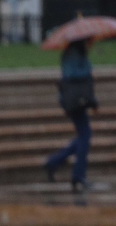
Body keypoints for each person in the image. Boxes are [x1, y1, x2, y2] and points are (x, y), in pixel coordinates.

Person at [46, 39, 98, 201]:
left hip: (74, 99)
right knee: (85, 135)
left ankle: (54, 162)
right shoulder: (75, 54)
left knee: (84, 136)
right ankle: (78, 175)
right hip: (74, 100)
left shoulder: (75, 52)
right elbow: (78, 78)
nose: (92, 43)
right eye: (90, 40)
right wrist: (88, 68)